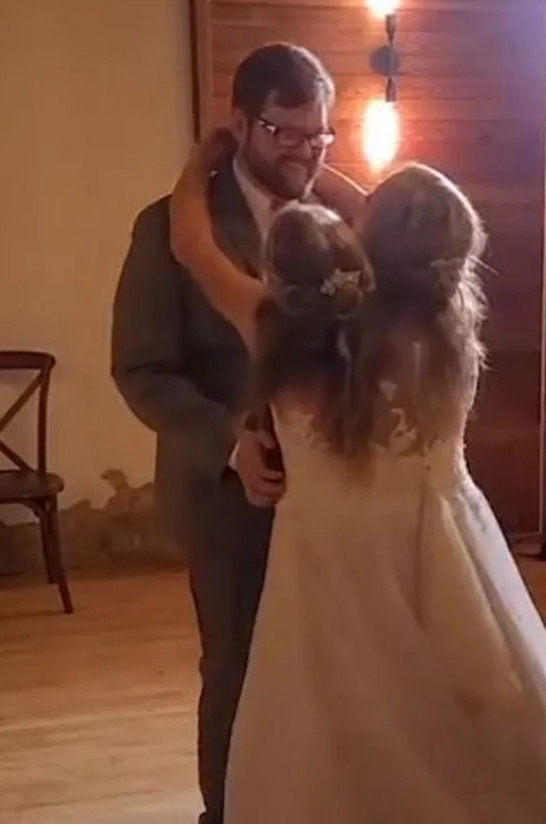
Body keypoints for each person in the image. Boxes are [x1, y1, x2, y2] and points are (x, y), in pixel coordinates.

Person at [169, 132, 546, 824]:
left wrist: (209, 163)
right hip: (446, 537)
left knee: (347, 714)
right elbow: (409, 231)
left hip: (334, 552)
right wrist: (318, 165)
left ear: (369, 237)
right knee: (458, 705)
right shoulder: (448, 324)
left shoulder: (290, 329)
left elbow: (193, 247)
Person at [111, 44, 337, 824]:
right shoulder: (169, 228)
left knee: (328, 668)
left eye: (319, 135)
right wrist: (230, 442)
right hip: (226, 499)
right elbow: (140, 370)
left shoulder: (337, 225)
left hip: (332, 496)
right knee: (237, 670)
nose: (305, 152)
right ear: (239, 124)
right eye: (284, 133)